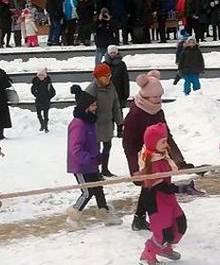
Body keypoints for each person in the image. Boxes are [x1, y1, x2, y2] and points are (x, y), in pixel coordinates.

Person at [123, 71, 189, 231]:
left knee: (152, 187)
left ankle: (142, 219)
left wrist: (178, 159)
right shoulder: (135, 115)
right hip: (144, 158)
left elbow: (168, 136)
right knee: (151, 188)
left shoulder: (158, 111)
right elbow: (129, 144)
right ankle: (153, 219)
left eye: (160, 96)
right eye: (155, 97)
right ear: (145, 96)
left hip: (160, 157)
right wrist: (135, 169)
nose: (159, 100)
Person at [66, 86, 122, 229]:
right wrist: (89, 159)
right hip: (80, 165)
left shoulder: (89, 121)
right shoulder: (78, 124)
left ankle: (105, 213)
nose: (96, 107)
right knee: (87, 191)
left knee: (98, 188)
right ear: (85, 107)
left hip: (91, 163)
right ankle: (73, 215)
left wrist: (97, 157)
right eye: (93, 105)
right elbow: (76, 149)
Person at [135, 123, 188, 265]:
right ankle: (148, 255)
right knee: (162, 230)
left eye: (166, 141)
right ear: (153, 143)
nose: (166, 144)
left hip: (168, 199)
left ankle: (164, 248)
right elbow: (161, 186)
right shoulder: (150, 162)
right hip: (156, 200)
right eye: (163, 141)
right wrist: (181, 188)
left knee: (179, 223)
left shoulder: (162, 156)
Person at [86, 63, 124, 177]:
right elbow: (85, 107)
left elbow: (116, 105)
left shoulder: (111, 87)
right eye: (105, 76)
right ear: (98, 76)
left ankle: (105, 169)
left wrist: (119, 122)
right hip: (95, 125)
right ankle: (95, 171)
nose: (108, 78)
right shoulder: (92, 89)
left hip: (107, 124)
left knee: (107, 147)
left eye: (109, 75)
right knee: (96, 150)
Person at [106, 44, 130, 112]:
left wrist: (126, 94)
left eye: (114, 52)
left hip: (119, 92)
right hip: (107, 94)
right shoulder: (104, 64)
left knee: (119, 113)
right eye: (111, 52)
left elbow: (125, 79)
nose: (113, 54)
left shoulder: (122, 64)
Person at [31, 68, 56, 133]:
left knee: (46, 115)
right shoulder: (35, 83)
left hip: (46, 101)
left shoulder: (48, 83)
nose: (41, 77)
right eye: (39, 75)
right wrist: (36, 94)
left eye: (42, 75)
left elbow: (53, 92)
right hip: (38, 100)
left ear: (45, 76)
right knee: (39, 115)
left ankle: (46, 127)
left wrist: (48, 97)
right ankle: (42, 124)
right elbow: (32, 90)